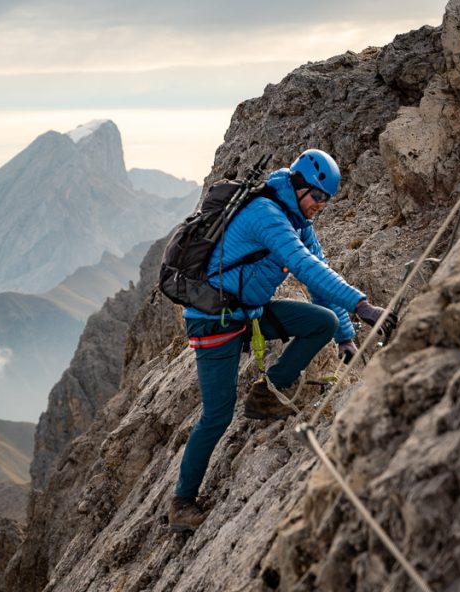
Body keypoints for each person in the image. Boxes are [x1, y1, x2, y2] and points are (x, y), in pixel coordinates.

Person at [169, 148, 396, 531]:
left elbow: (318, 273)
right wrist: (363, 307)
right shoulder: (267, 216)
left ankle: (267, 393)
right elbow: (305, 266)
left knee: (320, 322)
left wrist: (344, 334)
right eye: (319, 197)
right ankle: (182, 502)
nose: (322, 206)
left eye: (327, 200)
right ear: (300, 186)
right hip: (215, 321)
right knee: (217, 415)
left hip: (248, 313)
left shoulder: (298, 220)